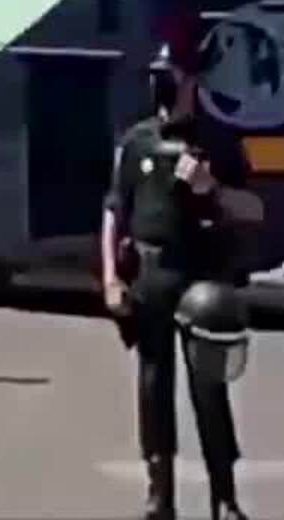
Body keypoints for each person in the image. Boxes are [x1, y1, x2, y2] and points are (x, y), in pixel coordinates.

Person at [104, 48, 257, 520]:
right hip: (150, 275)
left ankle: (224, 496)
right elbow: (114, 211)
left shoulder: (219, 140)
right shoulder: (137, 142)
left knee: (208, 388)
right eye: (156, 76)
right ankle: (160, 493)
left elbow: (255, 208)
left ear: (193, 82)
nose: (161, 84)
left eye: (170, 75)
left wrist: (212, 187)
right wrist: (110, 277)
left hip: (202, 277)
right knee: (154, 386)